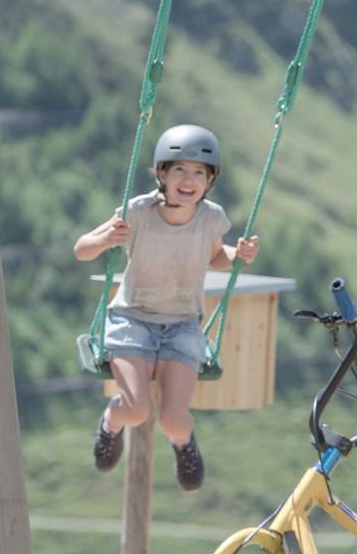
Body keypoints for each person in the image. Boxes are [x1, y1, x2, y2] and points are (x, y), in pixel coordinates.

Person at [73, 124, 259, 491]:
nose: (188, 180)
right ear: (162, 174)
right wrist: (106, 238)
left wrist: (242, 255)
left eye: (198, 173)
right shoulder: (137, 211)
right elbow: (82, 249)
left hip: (182, 325)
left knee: (174, 420)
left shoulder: (211, 217)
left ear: (209, 181)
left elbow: (217, 256)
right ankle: (111, 424)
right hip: (132, 319)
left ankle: (183, 444)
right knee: (137, 409)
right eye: (179, 171)